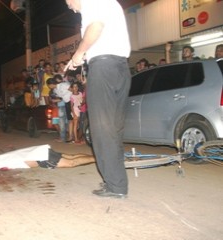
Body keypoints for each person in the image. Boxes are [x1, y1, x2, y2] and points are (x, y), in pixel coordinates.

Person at [65, 0, 130, 199]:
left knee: (102, 130)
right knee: (114, 128)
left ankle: (115, 186)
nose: (69, 7)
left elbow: (96, 27)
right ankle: (116, 181)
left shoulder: (92, 2)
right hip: (121, 68)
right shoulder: (111, 3)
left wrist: (78, 53)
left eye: (67, 2)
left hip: (103, 69)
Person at [0, 145, 95, 171]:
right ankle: (98, 157)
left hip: (40, 157)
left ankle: (99, 159)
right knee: (71, 157)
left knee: (71, 162)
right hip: (40, 151)